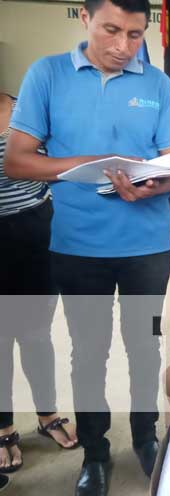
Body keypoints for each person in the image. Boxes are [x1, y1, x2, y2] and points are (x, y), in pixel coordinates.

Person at [4, 0, 170, 496]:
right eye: (111, 30)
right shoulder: (48, 75)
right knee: (88, 354)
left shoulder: (156, 84)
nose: (122, 46)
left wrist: (159, 184)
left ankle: (146, 438)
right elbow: (19, 162)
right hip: (77, 247)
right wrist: (98, 163)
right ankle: (96, 452)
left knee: (145, 346)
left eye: (134, 34)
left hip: (149, 249)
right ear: (84, 19)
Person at [0, 92, 78, 475]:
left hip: (36, 232)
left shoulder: (26, 110)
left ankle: (47, 415)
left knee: (36, 335)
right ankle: (3, 427)